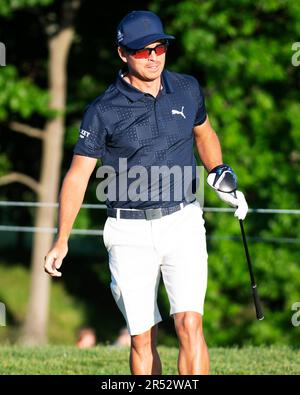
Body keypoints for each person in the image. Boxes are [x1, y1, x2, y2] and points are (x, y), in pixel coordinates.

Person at [44, 10, 248, 375]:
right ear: (123, 53)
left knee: (190, 325)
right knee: (142, 338)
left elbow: (204, 133)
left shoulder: (187, 88)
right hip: (128, 232)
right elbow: (77, 177)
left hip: (183, 221)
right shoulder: (102, 110)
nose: (153, 56)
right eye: (142, 50)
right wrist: (62, 240)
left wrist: (218, 171)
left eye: (159, 47)